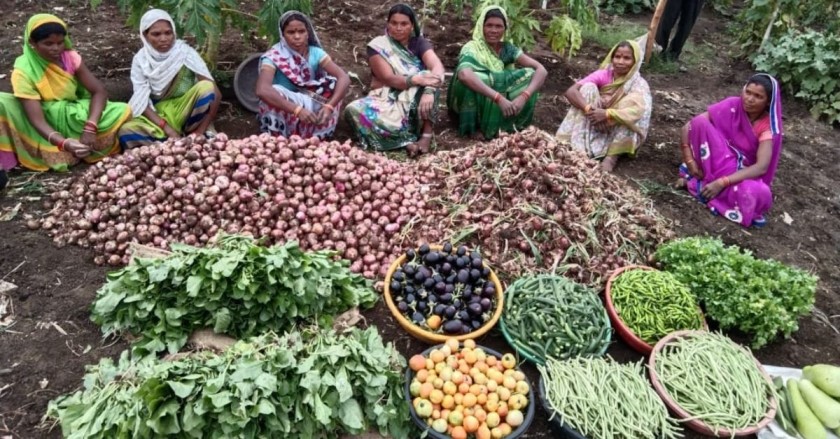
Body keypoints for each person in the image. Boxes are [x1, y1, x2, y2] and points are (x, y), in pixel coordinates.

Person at [0, 14, 132, 172]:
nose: (55, 48)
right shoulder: (23, 71)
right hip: (42, 118)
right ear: (32, 43)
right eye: (48, 43)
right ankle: (64, 148)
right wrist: (63, 143)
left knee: (123, 110)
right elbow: (37, 120)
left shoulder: (70, 58)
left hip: (72, 114)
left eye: (60, 42)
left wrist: (90, 127)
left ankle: (82, 143)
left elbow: (99, 91)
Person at [676, 73, 783, 227]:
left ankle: (698, 185)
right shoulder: (733, 105)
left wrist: (722, 182)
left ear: (768, 102)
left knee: (760, 192)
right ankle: (702, 182)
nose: (750, 99)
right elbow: (689, 126)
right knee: (699, 122)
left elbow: (761, 167)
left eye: (758, 96)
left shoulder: (767, 127)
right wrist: (690, 160)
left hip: (738, 172)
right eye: (748, 92)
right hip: (715, 160)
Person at [343, 3, 445, 156]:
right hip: (385, 99)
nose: (398, 28)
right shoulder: (378, 46)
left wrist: (429, 89)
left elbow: (437, 68)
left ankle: (425, 136)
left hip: (413, 101)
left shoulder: (419, 43)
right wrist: (417, 78)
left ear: (412, 26)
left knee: (430, 83)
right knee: (353, 110)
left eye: (404, 24)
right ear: (388, 24)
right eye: (394, 23)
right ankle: (404, 141)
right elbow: (389, 78)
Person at [119, 9, 220, 149]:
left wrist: (200, 131)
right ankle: (175, 142)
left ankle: (187, 137)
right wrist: (167, 128)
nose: (163, 38)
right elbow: (142, 102)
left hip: (185, 110)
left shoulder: (185, 53)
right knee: (126, 132)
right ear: (145, 36)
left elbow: (216, 94)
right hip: (158, 116)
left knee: (207, 87)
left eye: (168, 32)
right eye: (156, 34)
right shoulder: (141, 61)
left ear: (174, 32)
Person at [447, 5, 546, 140]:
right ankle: (473, 128)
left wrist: (524, 96)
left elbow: (541, 70)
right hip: (482, 99)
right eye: (489, 25)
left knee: (531, 75)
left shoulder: (507, 49)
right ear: (482, 27)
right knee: (473, 80)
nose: (493, 30)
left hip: (500, 100)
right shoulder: (472, 47)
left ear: (505, 29)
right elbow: (464, 74)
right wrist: (498, 98)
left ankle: (510, 125)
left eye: (499, 26)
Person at [556, 40, 652, 172]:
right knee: (588, 88)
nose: (620, 62)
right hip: (595, 121)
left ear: (635, 62)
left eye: (627, 58)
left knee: (634, 104)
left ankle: (612, 157)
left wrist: (608, 114)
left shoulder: (638, 84)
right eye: (617, 57)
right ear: (611, 58)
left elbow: (638, 112)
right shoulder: (604, 74)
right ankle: (579, 144)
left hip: (617, 127)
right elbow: (571, 91)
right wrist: (590, 110)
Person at [255, 11, 350, 140]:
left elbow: (343, 77)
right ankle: (278, 139)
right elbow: (262, 89)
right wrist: (297, 110)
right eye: (291, 32)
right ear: (283, 35)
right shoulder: (274, 57)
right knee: (273, 93)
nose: (297, 36)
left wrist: (329, 106)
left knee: (334, 85)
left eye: (301, 31)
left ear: (308, 33)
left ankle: (317, 138)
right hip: (286, 103)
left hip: (310, 98)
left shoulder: (316, 53)